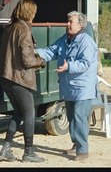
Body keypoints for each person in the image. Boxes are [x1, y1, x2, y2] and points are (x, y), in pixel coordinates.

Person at [36, 11, 98, 162]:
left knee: (79, 118)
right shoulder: (65, 39)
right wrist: (34, 52)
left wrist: (69, 66)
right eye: (68, 21)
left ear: (80, 25)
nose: (68, 24)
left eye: (71, 22)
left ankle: (83, 150)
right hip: (69, 87)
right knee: (71, 117)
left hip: (83, 88)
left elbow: (85, 63)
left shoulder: (87, 43)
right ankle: (76, 145)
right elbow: (52, 51)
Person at [0, 0, 46, 163]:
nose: (35, 14)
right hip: (19, 79)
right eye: (34, 12)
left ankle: (6, 148)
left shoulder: (10, 27)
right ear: (28, 12)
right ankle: (28, 152)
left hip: (5, 77)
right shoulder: (24, 30)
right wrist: (41, 61)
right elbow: (27, 61)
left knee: (18, 113)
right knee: (30, 114)